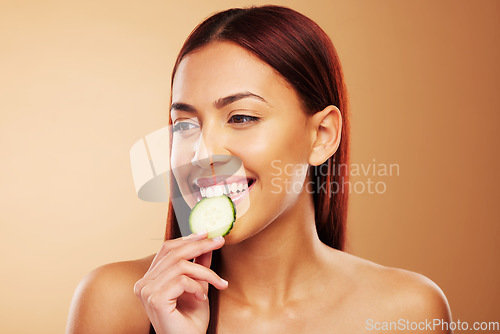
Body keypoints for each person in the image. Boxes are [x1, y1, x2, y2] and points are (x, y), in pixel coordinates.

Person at [66, 5, 452, 334]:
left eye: (242, 117)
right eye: (185, 125)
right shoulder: (114, 302)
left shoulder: (408, 310)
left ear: (321, 135)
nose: (204, 153)